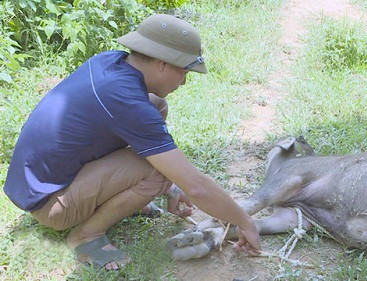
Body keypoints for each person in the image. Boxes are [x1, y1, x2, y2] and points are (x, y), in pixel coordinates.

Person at [3, 14, 261, 270]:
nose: (183, 81)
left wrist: (170, 189)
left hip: (37, 184)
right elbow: (196, 187)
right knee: (158, 172)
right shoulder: (127, 103)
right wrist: (245, 222)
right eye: (184, 71)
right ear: (162, 63)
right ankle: (86, 236)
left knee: (156, 105)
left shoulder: (110, 60)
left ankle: (124, 196)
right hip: (51, 204)